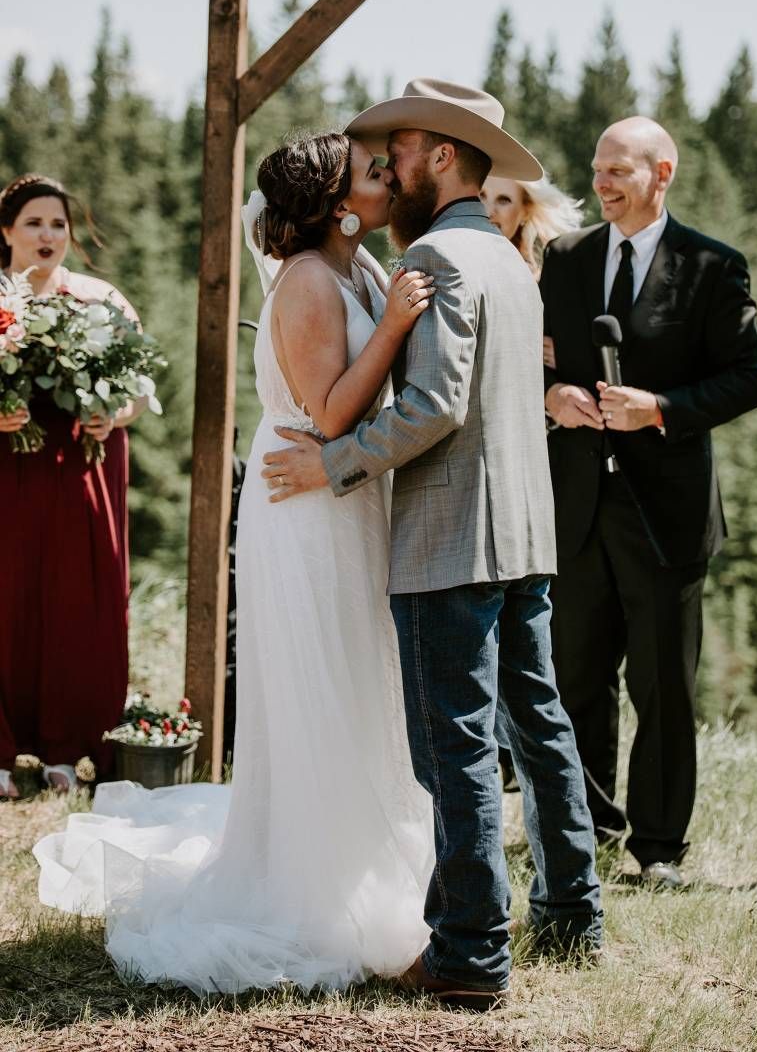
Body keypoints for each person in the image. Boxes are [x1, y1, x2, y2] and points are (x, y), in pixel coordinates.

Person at [36, 133, 437, 995]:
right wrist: (400, 322)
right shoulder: (305, 282)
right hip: (307, 510)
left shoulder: (361, 266)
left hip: (348, 500)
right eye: (373, 174)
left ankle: (362, 852)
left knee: (359, 675)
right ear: (338, 208)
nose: (388, 178)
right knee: (319, 680)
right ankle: (313, 885)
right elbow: (329, 414)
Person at [262, 79, 603, 1010]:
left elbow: (433, 407)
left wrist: (334, 465)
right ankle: (573, 913)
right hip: (525, 534)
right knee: (538, 725)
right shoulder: (503, 256)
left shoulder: (446, 258)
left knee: (451, 752)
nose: (389, 170)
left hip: (455, 539)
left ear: (442, 156)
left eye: (398, 155)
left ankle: (469, 953)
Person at [539, 116, 757, 887]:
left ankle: (659, 850)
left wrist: (661, 408)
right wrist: (553, 395)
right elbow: (527, 359)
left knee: (663, 687)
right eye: (598, 168)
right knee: (578, 680)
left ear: (662, 173)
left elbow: (749, 379)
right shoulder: (564, 260)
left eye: (619, 171)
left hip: (665, 513)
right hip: (576, 505)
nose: (602, 183)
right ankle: (586, 832)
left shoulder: (712, 266)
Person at [0, 174, 146, 800]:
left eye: (58, 224)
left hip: (77, 474)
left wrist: (112, 414)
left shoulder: (100, 299)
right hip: (6, 473)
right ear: (6, 231)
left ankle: (70, 747)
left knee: (72, 606)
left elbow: (140, 391)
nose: (48, 235)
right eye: (34, 223)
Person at [479, 173, 582, 789]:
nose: (492, 212)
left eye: (505, 201)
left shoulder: (547, 286)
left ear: (526, 212)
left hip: (539, 469)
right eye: (485, 197)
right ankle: (497, 755)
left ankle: (520, 756)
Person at [480, 173, 583, 278]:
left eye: (504, 200)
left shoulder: (531, 281)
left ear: (525, 212)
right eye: (481, 195)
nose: (487, 212)